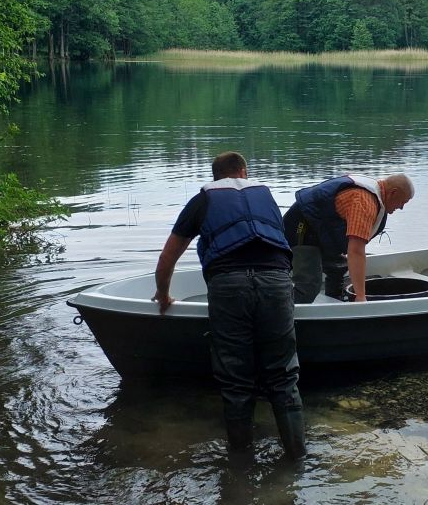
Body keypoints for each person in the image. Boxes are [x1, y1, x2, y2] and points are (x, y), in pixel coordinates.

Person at [152, 151, 306, 460]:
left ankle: (240, 464)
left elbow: (168, 257)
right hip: (276, 283)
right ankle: (297, 457)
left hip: (228, 286)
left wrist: (164, 294)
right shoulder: (265, 195)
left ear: (215, 177)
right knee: (282, 377)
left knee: (236, 382)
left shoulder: (204, 200)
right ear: (243, 172)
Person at [283, 173, 414, 303]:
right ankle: (280, 316)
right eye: (403, 202)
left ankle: (335, 306)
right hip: (302, 226)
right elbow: (355, 251)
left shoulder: (377, 197)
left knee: (338, 268)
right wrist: (361, 297)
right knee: (309, 284)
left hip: (321, 230)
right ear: (393, 193)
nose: (401, 207)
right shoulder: (364, 202)